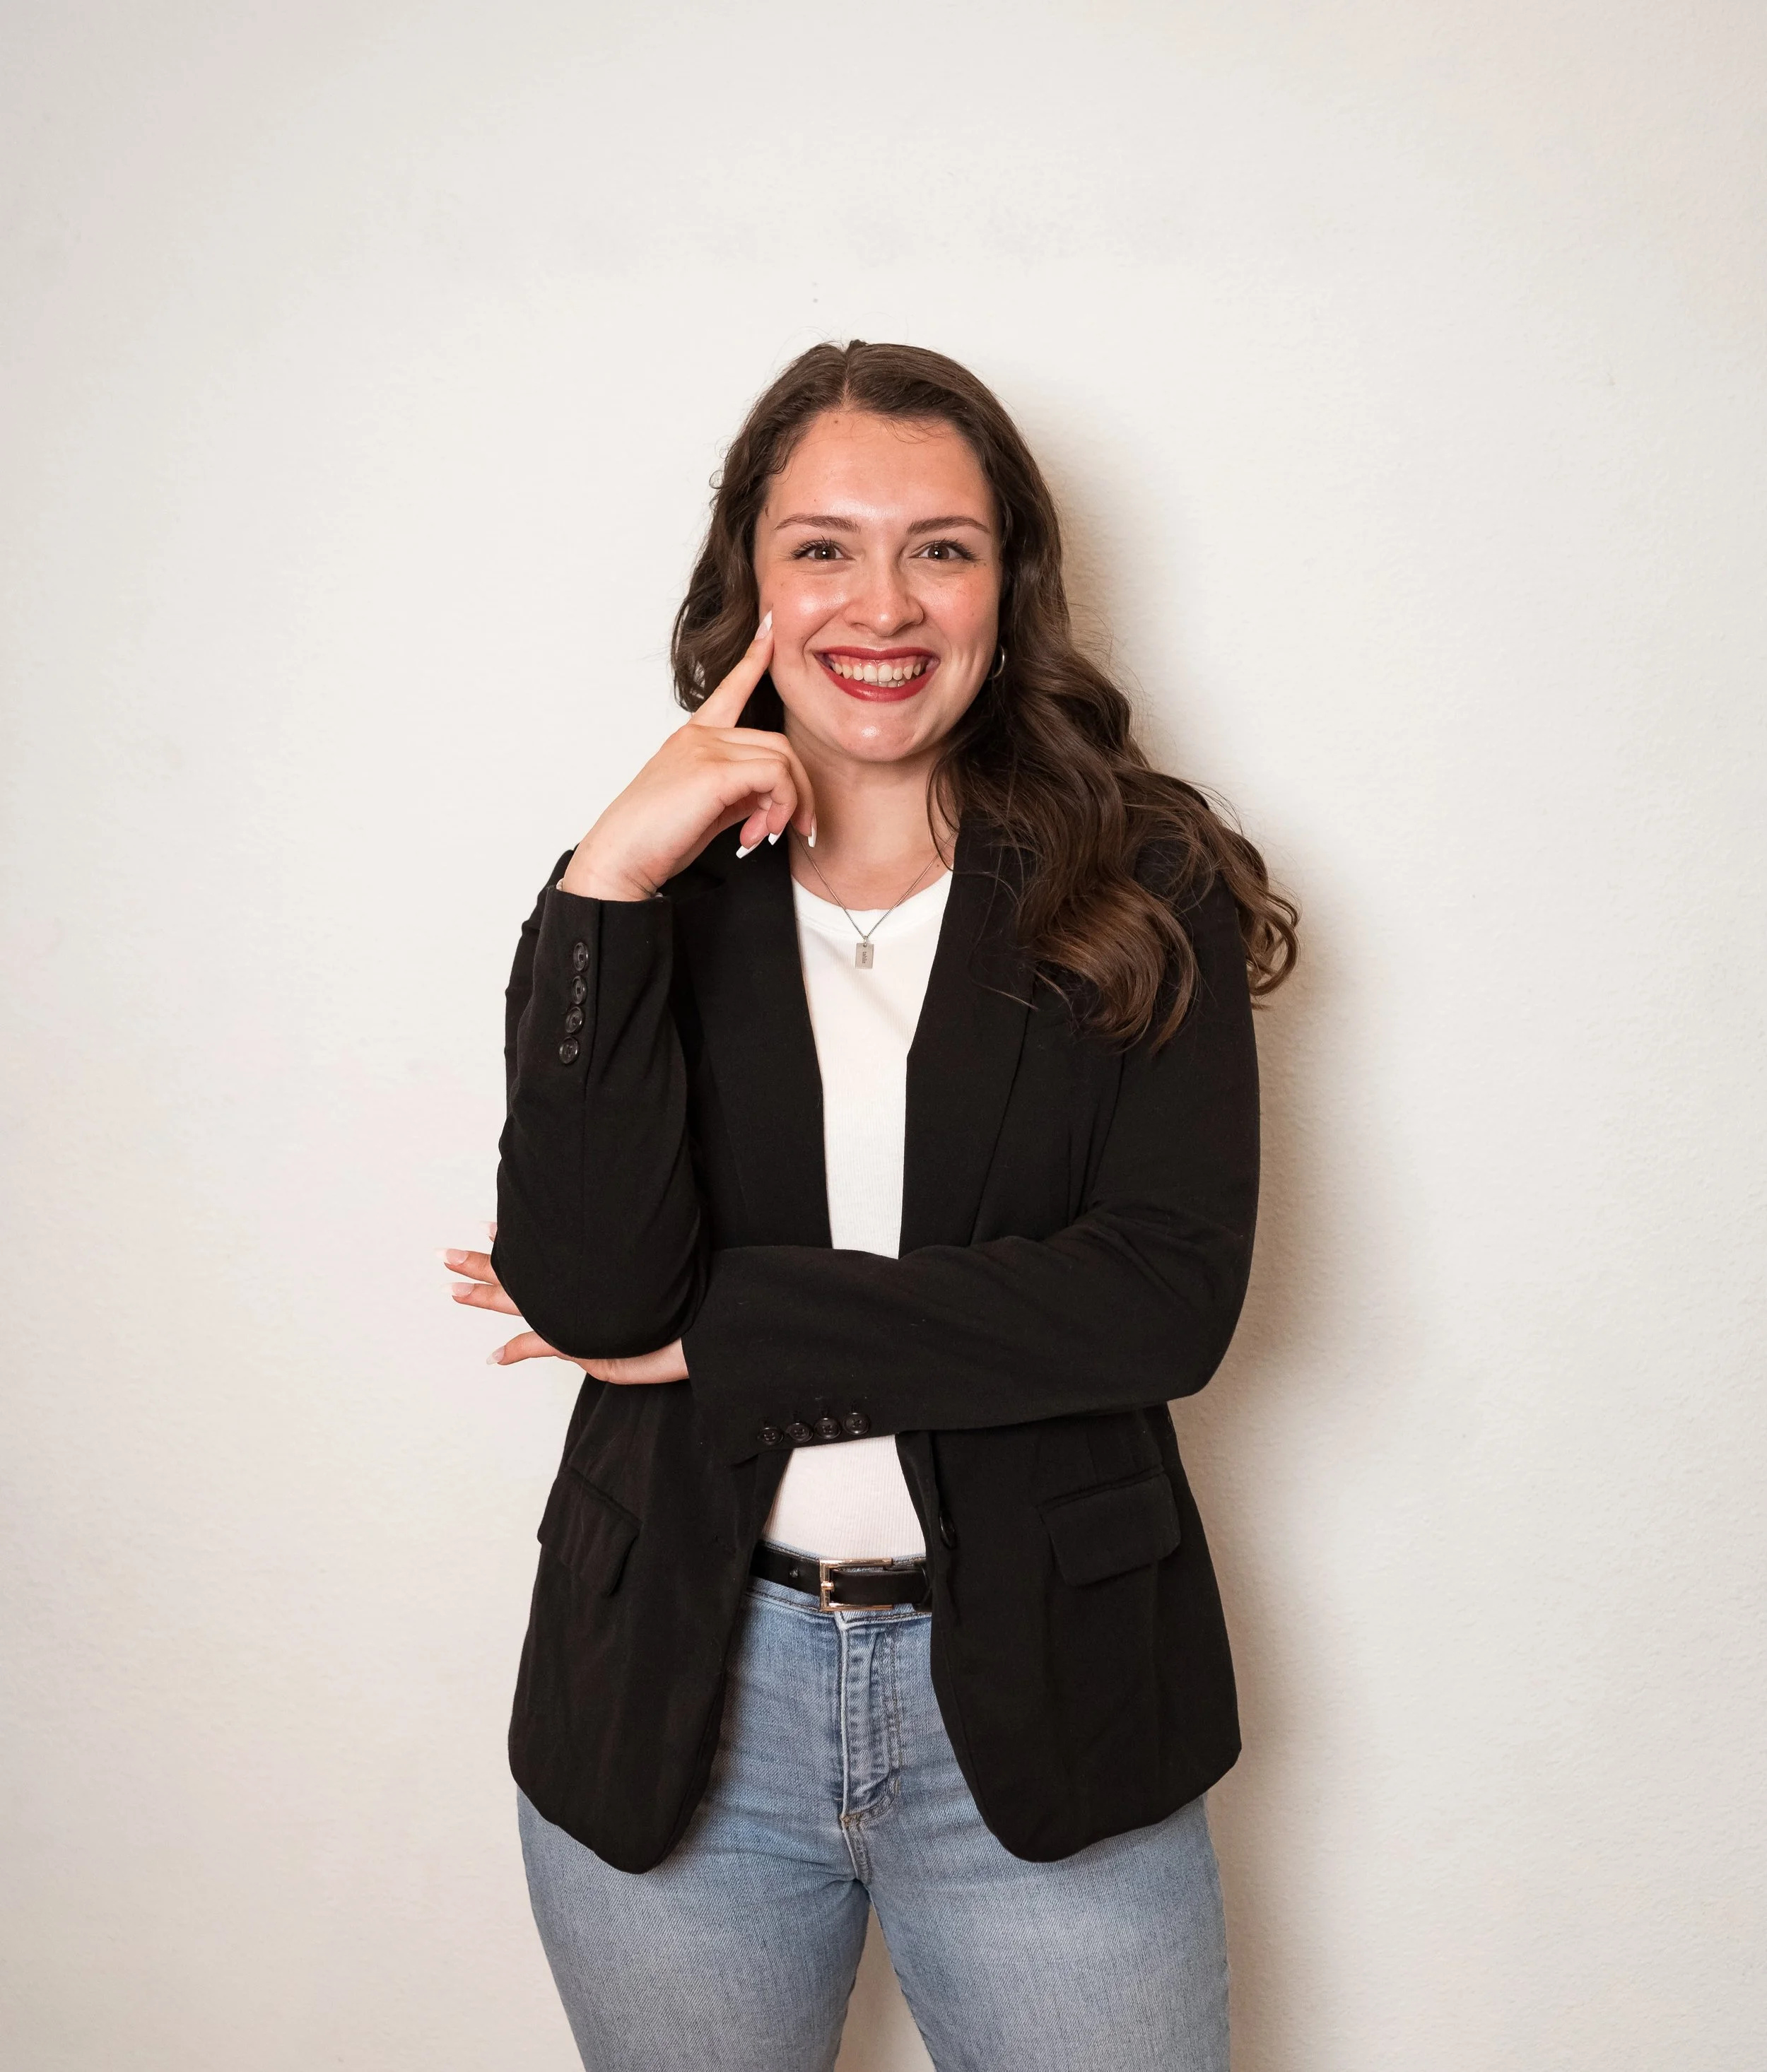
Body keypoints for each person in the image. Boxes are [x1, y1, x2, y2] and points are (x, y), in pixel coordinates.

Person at [442, 341, 1296, 2072]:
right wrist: (606, 874)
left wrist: (730, 1326)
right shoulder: (649, 893)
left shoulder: (1144, 887)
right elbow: (603, 1299)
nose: (879, 603)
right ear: (747, 581)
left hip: (1051, 1687)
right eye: (821, 546)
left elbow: (1157, 1301)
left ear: (1009, 582)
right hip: (684, 1679)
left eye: (941, 546)